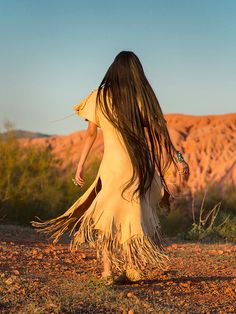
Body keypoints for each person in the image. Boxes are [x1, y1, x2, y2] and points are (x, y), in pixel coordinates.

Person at [31, 51, 190, 285]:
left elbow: (91, 135)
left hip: (113, 166)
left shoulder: (99, 97)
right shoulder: (140, 98)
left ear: (113, 70)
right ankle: (132, 267)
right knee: (132, 212)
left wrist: (81, 164)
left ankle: (107, 272)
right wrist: (178, 158)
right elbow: (160, 132)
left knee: (107, 216)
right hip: (139, 165)